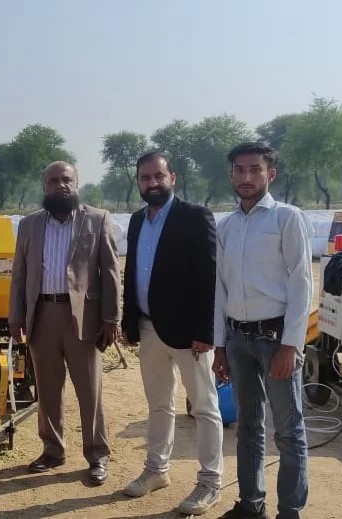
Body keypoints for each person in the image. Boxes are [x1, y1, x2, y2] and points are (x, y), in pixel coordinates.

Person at [212, 142, 313, 519]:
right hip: (237, 340)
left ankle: (290, 511)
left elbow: (303, 283)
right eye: (239, 170)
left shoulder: (287, 218)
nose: (246, 177)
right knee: (248, 427)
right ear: (231, 175)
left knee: (288, 430)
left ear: (270, 174)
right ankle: (251, 505)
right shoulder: (227, 225)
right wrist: (220, 346)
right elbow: (220, 289)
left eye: (255, 170)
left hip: (276, 341)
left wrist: (292, 344)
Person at [120, 152, 223, 515]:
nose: (152, 183)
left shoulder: (194, 217)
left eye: (158, 176)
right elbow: (132, 272)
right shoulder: (136, 221)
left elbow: (210, 276)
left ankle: (210, 482)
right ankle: (156, 470)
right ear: (139, 182)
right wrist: (129, 321)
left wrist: (206, 330)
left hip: (190, 333)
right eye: (145, 178)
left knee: (205, 408)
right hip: (149, 329)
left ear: (172, 177)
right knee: (159, 404)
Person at [9, 160, 121, 486]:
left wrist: (111, 318)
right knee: (47, 389)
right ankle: (53, 450)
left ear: (76, 184)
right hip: (41, 315)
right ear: (44, 187)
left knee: (90, 392)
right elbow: (19, 275)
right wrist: (16, 317)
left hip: (83, 319)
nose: (61, 186)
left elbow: (111, 273)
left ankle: (97, 454)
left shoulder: (97, 220)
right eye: (54, 181)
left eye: (66, 180)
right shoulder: (29, 225)